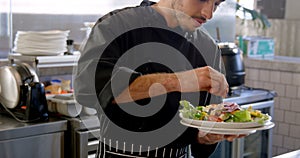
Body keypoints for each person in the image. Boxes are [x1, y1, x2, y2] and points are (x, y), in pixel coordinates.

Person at [74, 0, 245, 157]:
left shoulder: (207, 47)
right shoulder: (118, 24)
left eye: (216, 4)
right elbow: (88, 89)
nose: (208, 14)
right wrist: (180, 81)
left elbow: (203, 127)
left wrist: (208, 135)